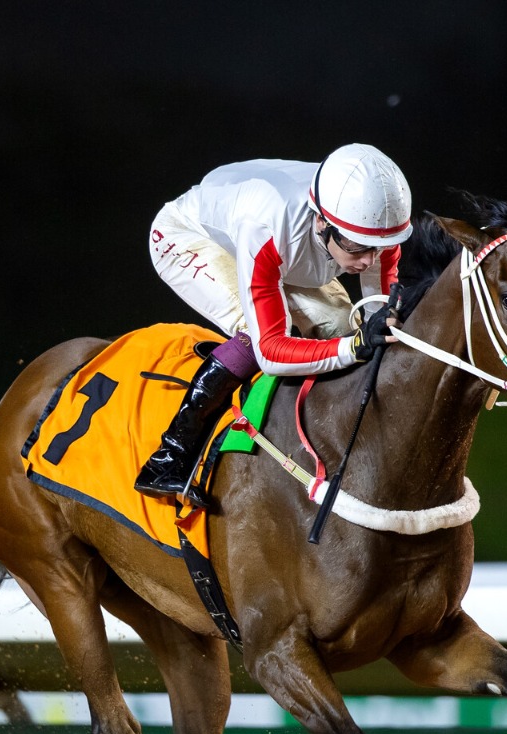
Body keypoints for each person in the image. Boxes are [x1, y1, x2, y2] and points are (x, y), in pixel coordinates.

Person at [134, 144, 413, 509]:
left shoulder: (373, 221)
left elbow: (377, 307)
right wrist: (353, 347)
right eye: (358, 247)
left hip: (285, 248)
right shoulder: (269, 224)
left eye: (381, 247)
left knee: (346, 327)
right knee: (257, 338)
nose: (369, 259)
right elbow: (271, 351)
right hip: (191, 234)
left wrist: (375, 327)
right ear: (321, 221)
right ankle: (169, 456)